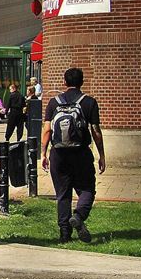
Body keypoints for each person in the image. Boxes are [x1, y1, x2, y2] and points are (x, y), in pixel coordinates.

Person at [41, 68, 105, 244]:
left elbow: (47, 129)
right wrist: (102, 155)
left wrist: (44, 153)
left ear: (65, 82)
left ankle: (64, 233)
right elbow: (96, 131)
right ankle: (78, 215)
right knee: (87, 189)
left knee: (62, 194)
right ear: (82, 82)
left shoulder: (54, 102)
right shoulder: (89, 102)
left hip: (58, 154)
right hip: (81, 153)